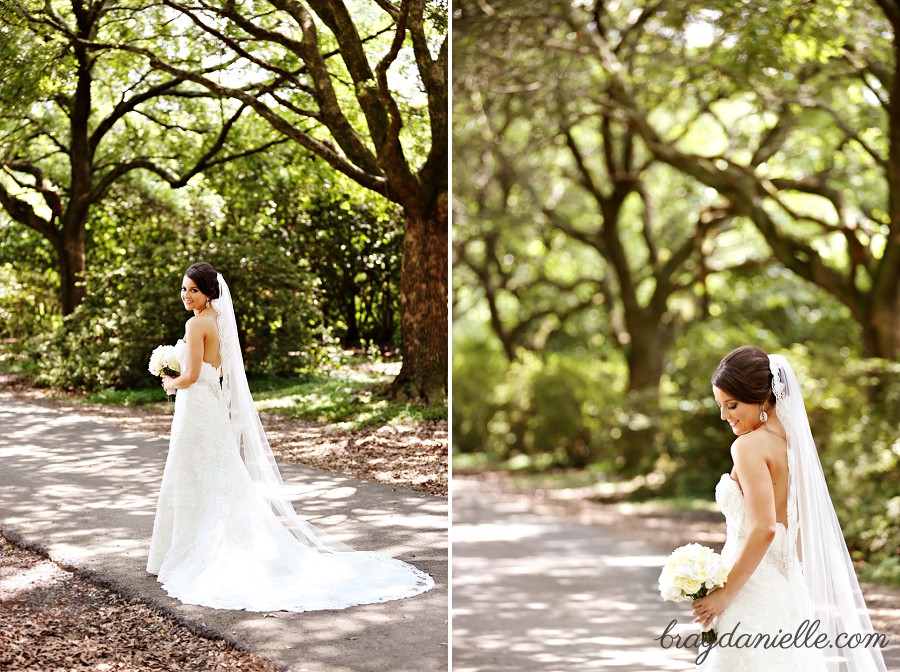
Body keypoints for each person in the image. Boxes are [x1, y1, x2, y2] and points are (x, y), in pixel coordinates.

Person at [146, 262, 434, 611]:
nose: (187, 296)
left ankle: (185, 553)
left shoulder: (195, 324)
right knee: (216, 475)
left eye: (194, 289)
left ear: (209, 292)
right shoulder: (221, 323)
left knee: (192, 473)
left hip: (196, 408)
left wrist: (169, 381)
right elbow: (218, 370)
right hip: (212, 409)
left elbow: (191, 375)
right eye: (184, 288)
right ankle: (203, 545)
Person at [691, 346, 886, 671]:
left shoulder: (748, 446)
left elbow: (765, 527)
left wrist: (725, 594)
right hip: (786, 587)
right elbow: (795, 530)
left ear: (762, 398)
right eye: (720, 405)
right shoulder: (794, 448)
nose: (724, 415)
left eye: (732, 404)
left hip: (748, 590)